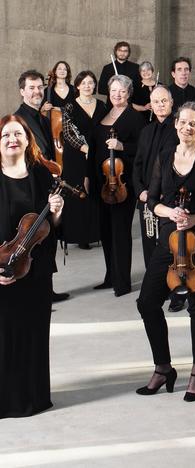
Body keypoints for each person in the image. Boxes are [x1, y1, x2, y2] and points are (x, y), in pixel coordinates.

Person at [135, 101, 195, 402]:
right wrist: (169, 211)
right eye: (183, 122)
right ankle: (163, 367)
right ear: (175, 124)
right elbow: (152, 200)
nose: (187, 128)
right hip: (170, 240)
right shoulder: (165, 156)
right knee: (147, 302)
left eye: (193, 123)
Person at [0, 114, 65, 418]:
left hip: (35, 270)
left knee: (34, 334)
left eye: (18, 134)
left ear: (27, 140)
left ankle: (34, 398)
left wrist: (56, 212)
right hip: (2, 269)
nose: (12, 139)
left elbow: (49, 228)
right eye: (6, 135)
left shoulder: (42, 174)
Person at [14, 70, 68, 303]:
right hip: (31, 189)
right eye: (32, 88)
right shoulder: (19, 120)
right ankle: (34, 290)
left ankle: (47, 290)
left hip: (46, 187)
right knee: (32, 240)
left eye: (39, 88)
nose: (37, 92)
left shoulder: (42, 118)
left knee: (47, 238)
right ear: (22, 91)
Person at [93, 75, 145, 297]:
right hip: (102, 181)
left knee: (120, 232)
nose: (117, 95)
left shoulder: (134, 117)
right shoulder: (104, 112)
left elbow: (142, 148)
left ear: (129, 93)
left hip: (122, 183)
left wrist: (122, 145)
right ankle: (110, 276)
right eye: (114, 91)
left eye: (122, 91)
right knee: (105, 231)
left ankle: (122, 282)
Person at [133, 85, 178, 267]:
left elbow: (178, 166)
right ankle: (153, 287)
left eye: (164, 101)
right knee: (149, 242)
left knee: (169, 243)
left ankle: (171, 284)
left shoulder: (179, 129)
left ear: (171, 103)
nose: (160, 105)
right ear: (151, 104)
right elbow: (137, 165)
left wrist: (162, 192)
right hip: (147, 197)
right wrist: (141, 191)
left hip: (168, 198)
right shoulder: (146, 131)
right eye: (156, 102)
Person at [60, 71, 105, 249]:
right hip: (75, 155)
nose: (88, 86)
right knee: (77, 192)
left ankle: (96, 232)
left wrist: (95, 149)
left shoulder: (101, 105)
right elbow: (67, 132)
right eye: (84, 83)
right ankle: (79, 235)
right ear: (77, 86)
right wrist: (85, 148)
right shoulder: (69, 106)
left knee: (94, 190)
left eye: (91, 83)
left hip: (96, 153)